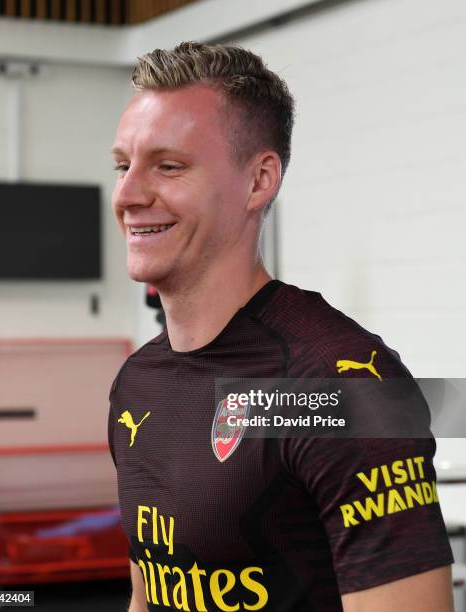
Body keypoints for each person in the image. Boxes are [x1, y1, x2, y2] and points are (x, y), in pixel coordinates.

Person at [108, 41, 454, 611]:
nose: (127, 194)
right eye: (123, 165)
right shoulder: (137, 383)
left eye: (168, 166)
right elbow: (149, 596)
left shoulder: (340, 387)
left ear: (259, 180)